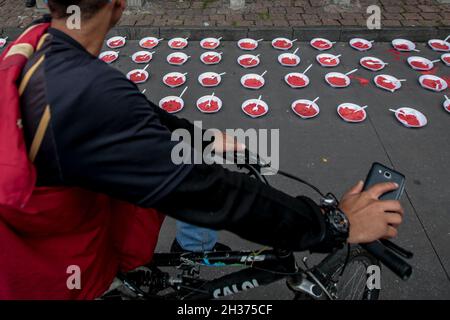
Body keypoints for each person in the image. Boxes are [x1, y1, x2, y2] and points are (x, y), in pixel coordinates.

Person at [0, 0, 404, 300]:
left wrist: (203, 138)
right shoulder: (88, 94)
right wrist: (330, 225)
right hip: (67, 278)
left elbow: (131, 114)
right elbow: (209, 192)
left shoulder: (39, 44)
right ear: (120, 4)